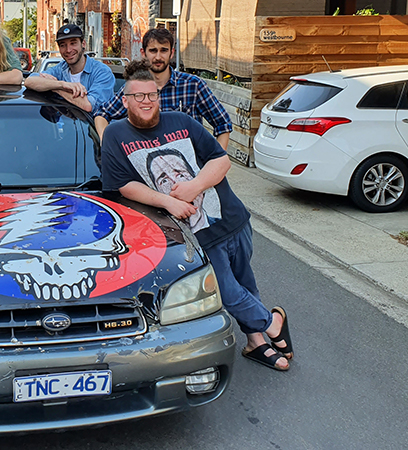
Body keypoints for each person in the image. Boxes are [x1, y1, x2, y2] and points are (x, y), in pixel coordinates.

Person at [101, 59, 294, 371]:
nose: (146, 101)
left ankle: (256, 343)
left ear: (158, 96)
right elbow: (123, 185)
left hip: (233, 219)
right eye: (138, 96)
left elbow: (221, 161)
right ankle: (273, 323)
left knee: (247, 284)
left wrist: (193, 187)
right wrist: (168, 201)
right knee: (229, 294)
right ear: (125, 100)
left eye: (152, 94)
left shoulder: (182, 121)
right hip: (195, 233)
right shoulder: (116, 135)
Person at [94, 28, 232, 149]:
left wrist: (215, 160)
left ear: (171, 53)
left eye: (163, 50)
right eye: (153, 51)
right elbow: (102, 113)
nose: (158, 57)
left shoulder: (193, 85)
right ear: (143, 53)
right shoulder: (134, 88)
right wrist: (106, 142)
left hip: (190, 173)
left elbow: (223, 123)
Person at [24, 24, 115, 113]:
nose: (68, 50)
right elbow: (29, 81)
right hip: (66, 127)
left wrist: (56, 88)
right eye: (63, 45)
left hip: (95, 128)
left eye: (73, 43)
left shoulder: (102, 71)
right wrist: (62, 84)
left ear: (83, 44)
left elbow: (89, 106)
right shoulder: (60, 69)